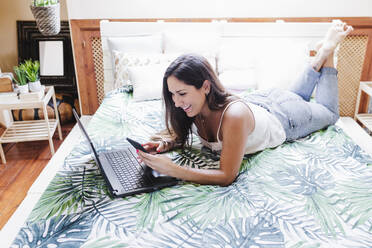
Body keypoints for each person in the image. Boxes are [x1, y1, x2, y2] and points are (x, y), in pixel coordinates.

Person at [137, 21, 353, 186]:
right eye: (172, 94)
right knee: (297, 97)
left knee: (329, 113)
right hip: (263, 101)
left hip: (285, 117)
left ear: (204, 86)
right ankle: (318, 58)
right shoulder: (192, 107)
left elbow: (227, 175)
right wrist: (167, 143)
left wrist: (173, 169)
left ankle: (328, 52)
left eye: (181, 93)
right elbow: (183, 132)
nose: (176, 102)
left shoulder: (234, 116)